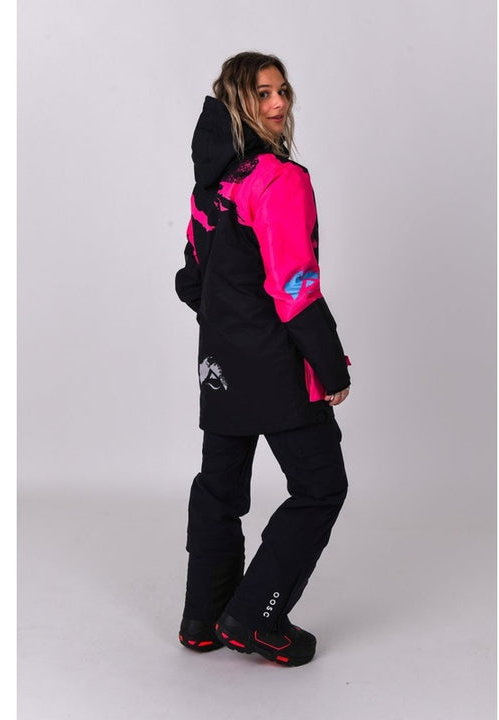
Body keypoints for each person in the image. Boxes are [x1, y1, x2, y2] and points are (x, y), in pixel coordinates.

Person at [175, 51, 351, 667]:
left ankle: (202, 618)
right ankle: (254, 616)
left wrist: (231, 329)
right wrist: (329, 365)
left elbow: (192, 279)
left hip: (220, 365)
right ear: (237, 103)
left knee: (220, 489)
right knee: (321, 486)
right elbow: (294, 285)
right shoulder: (277, 179)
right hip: (277, 364)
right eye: (262, 94)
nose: (278, 104)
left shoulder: (212, 184)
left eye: (282, 91)